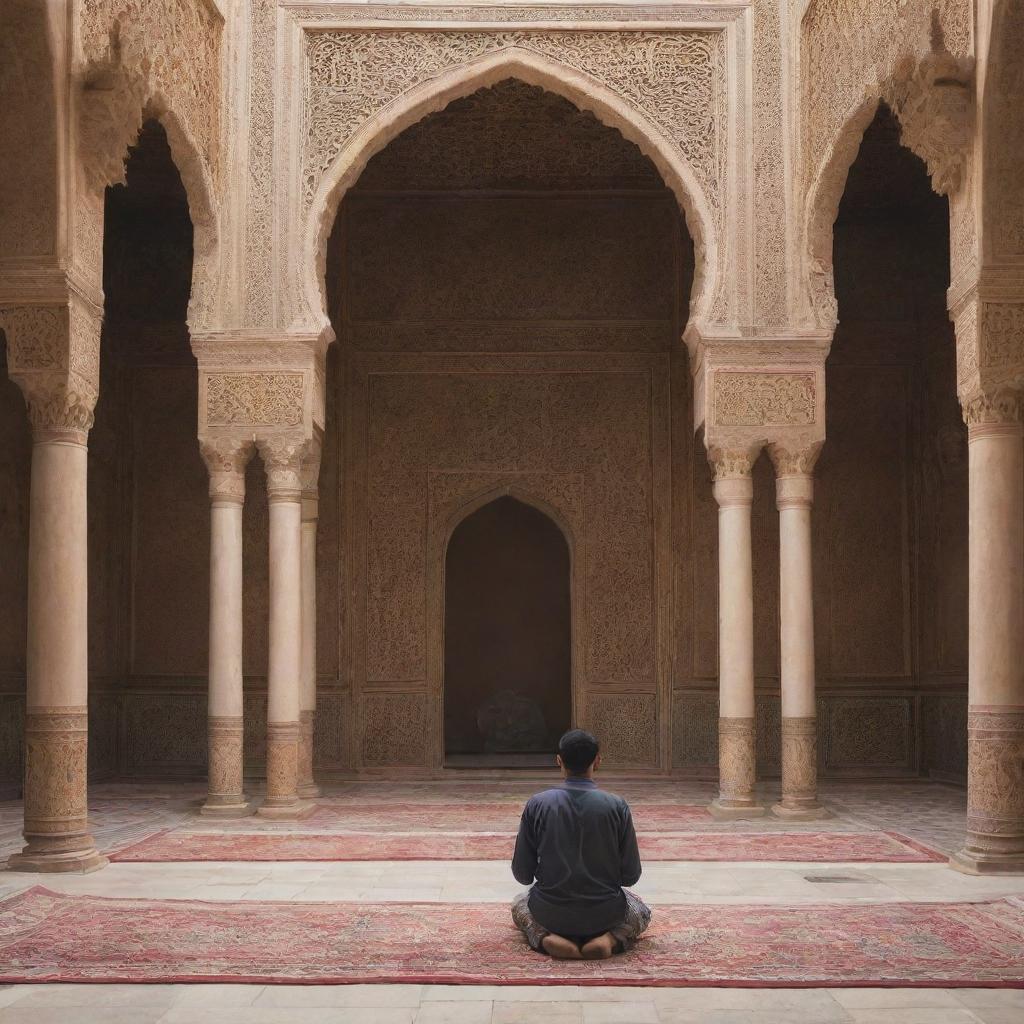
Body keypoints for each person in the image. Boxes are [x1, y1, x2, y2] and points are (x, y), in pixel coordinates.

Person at [510, 729, 651, 959]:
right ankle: (609, 939)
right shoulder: (617, 806)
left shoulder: (537, 804)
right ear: (597, 761)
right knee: (639, 909)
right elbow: (630, 876)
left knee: (520, 904)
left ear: (559, 761)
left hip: (551, 914)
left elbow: (522, 874)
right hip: (605, 915)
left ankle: (546, 938)